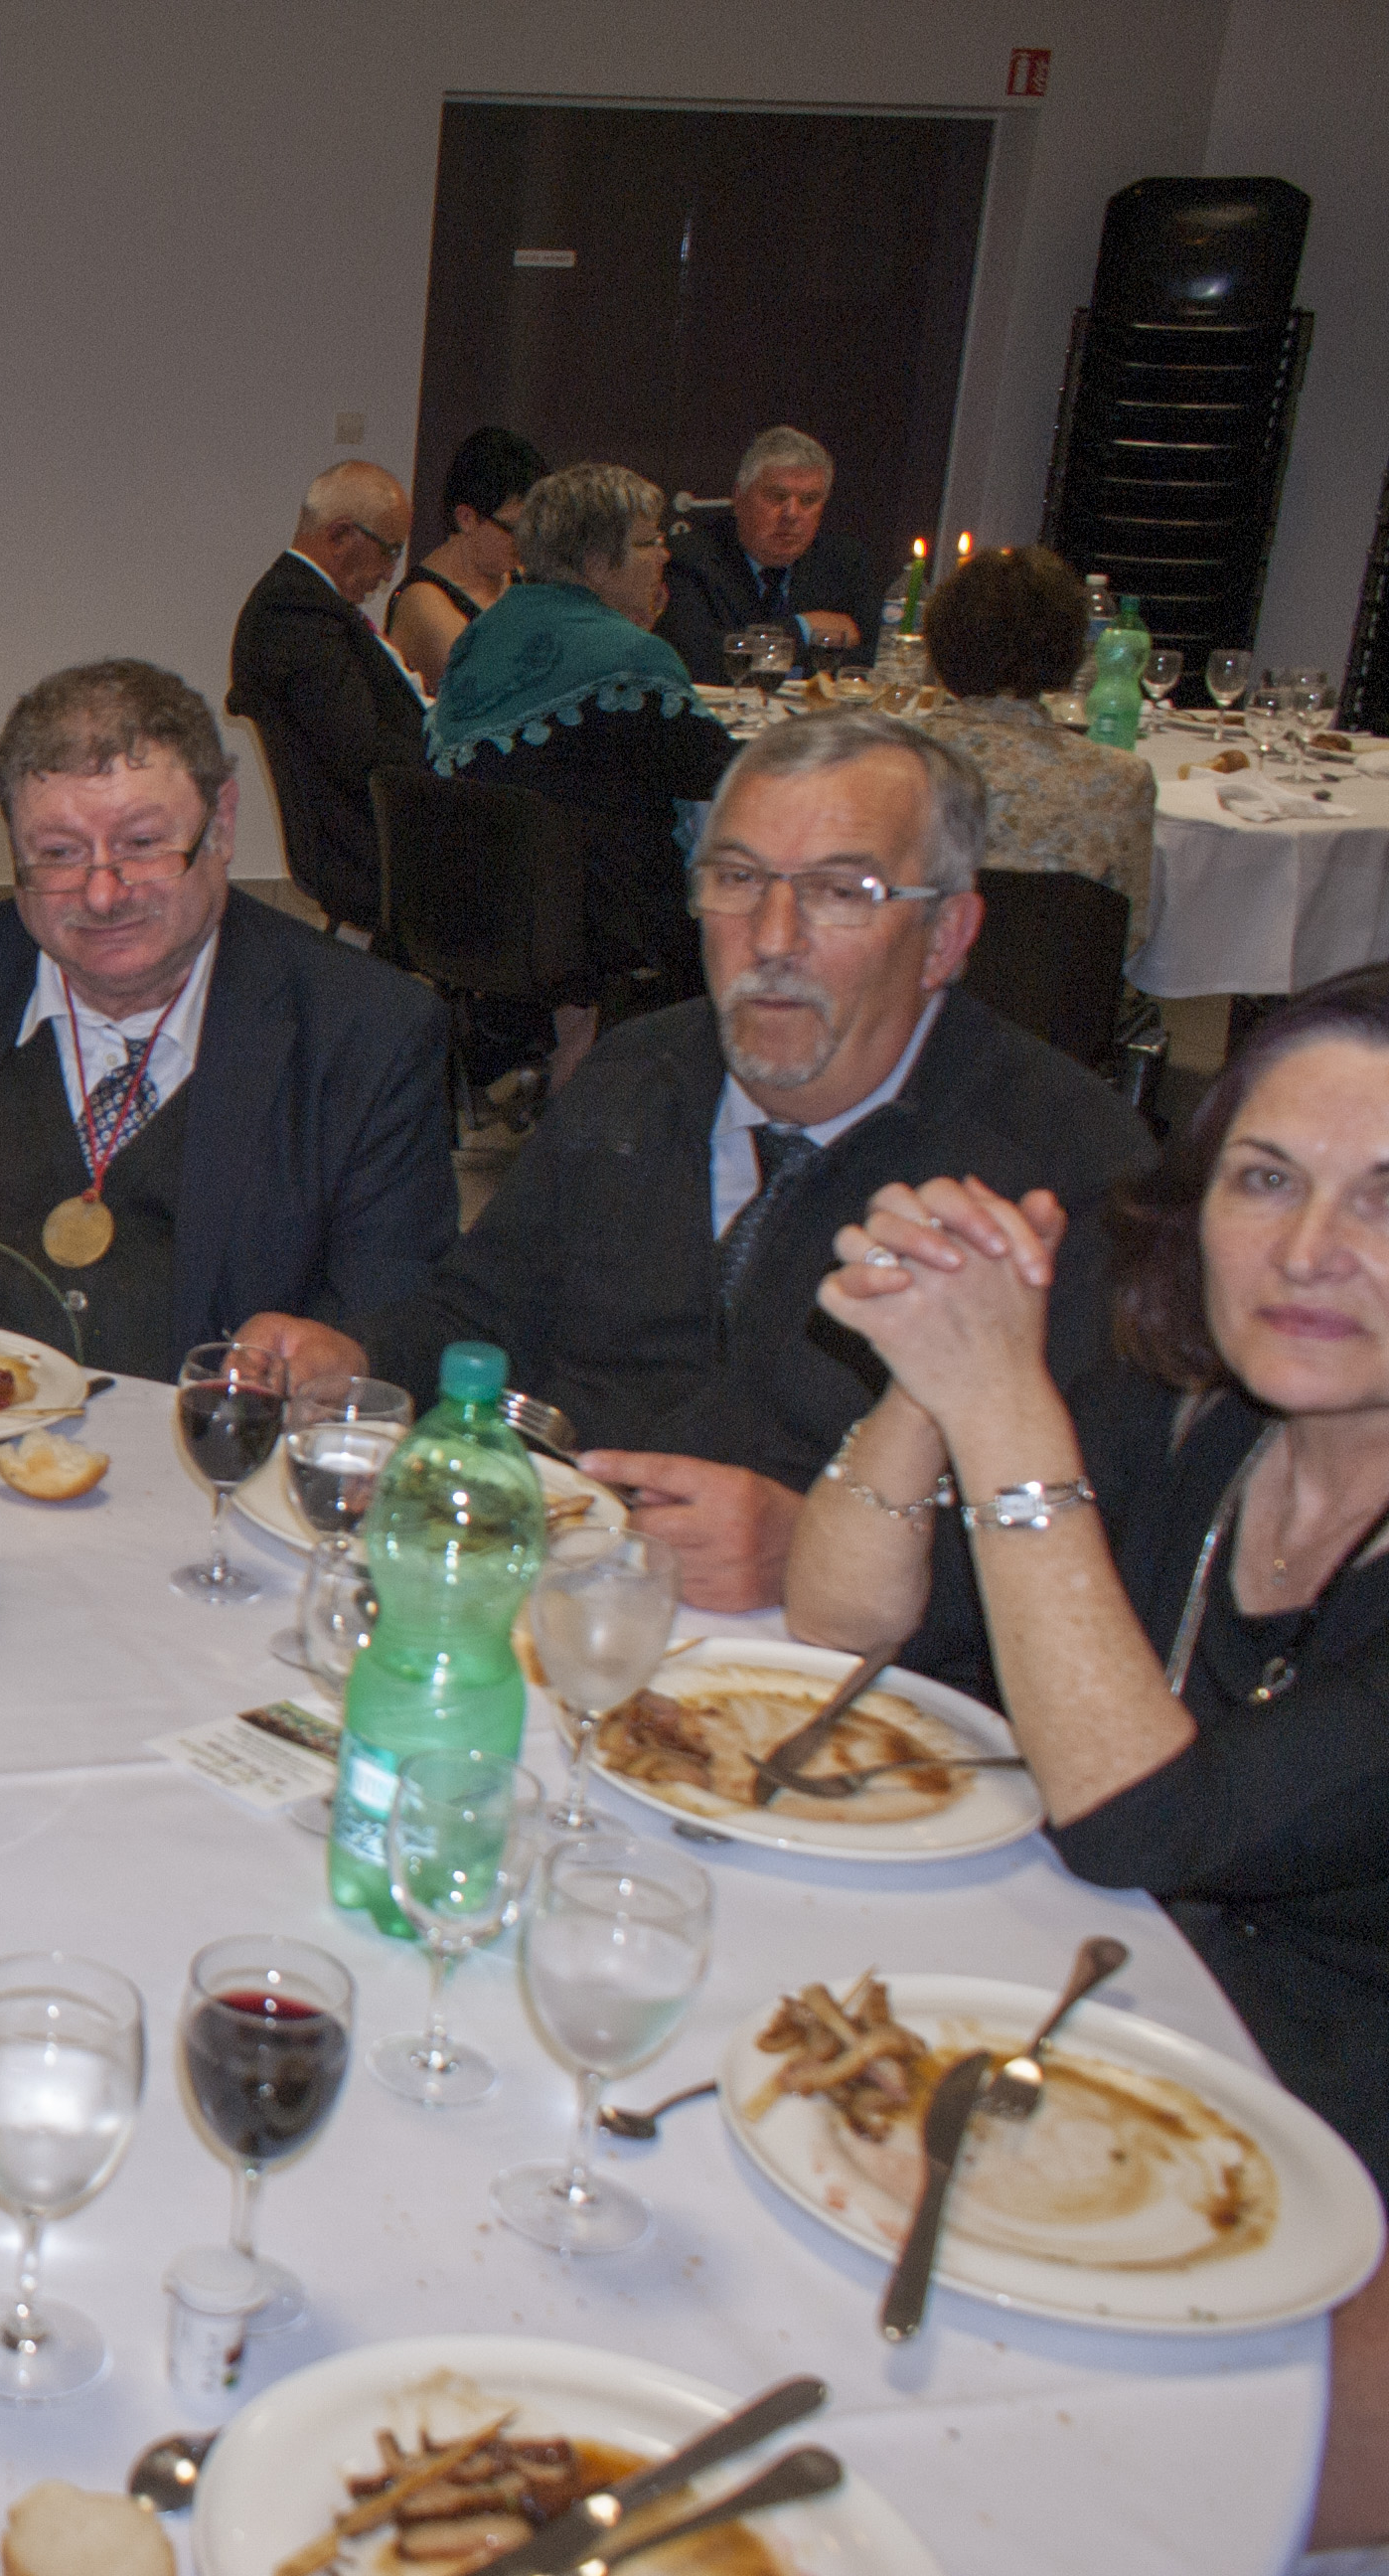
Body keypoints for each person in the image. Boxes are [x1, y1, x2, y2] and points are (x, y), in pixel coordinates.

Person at [782, 973, 1389, 2551]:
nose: (1310, 1252)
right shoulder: (1209, 1424)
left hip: (1344, 2173)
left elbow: (1149, 1819)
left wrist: (1004, 1400)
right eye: (1268, 1180)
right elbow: (847, 1621)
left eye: (1387, 1201)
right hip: (1115, 2059)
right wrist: (931, 1365)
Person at [241, 711, 1155, 1629]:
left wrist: (823, 1544)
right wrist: (359, 1358)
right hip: (552, 1612)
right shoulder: (638, 1075)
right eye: (738, 879)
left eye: (841, 891)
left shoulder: (1065, 1171)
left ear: (947, 935)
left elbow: (1107, 1542)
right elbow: (482, 1312)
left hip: (846, 1667)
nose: (773, 937)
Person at [0, 659, 451, 1372]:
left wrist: (343, 1356)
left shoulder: (366, 1030)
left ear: (221, 823)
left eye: (141, 845)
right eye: (59, 854)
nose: (101, 895)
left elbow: (401, 1315)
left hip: (198, 1438)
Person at [429, 462, 734, 1028]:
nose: (664, 554)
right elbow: (722, 776)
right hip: (587, 918)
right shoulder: (631, 659)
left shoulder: (486, 630)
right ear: (596, 562)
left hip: (466, 902)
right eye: (648, 542)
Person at [911, 543, 1160, 950]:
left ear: (940, 643)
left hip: (907, 981)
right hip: (1055, 987)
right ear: (1071, 650)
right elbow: (1127, 936)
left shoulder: (887, 758)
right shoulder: (1121, 779)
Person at [226, 460, 425, 936]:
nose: (390, 573)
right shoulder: (294, 614)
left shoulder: (311, 608)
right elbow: (361, 752)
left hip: (380, 836)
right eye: (389, 551)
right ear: (340, 536)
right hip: (371, 850)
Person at [657, 425, 883, 674]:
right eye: (777, 497)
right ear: (739, 497)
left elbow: (873, 658)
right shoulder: (688, 559)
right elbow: (695, 658)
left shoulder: (845, 562)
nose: (791, 514)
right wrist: (803, 629)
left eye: (808, 500)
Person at [386, 427, 545, 697]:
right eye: (515, 530)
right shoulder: (423, 604)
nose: (527, 543)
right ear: (466, 518)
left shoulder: (516, 576)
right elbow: (494, 696)